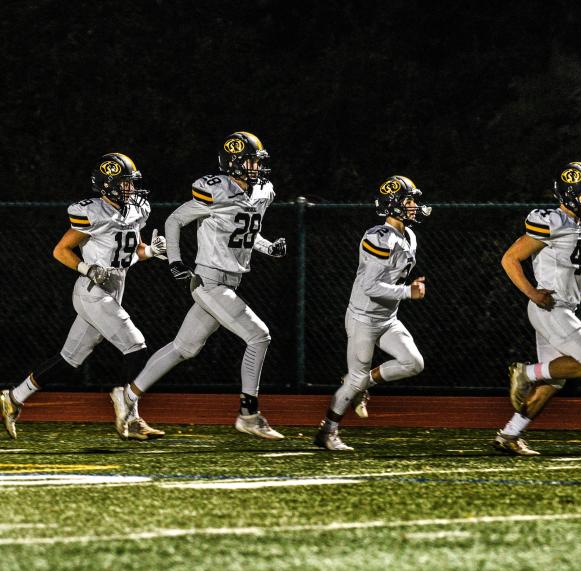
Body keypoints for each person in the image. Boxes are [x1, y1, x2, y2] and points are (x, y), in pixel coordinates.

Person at [111, 132, 287, 440]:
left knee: (184, 348)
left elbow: (246, 233)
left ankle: (126, 398)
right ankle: (248, 414)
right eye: (250, 161)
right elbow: (175, 221)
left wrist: (269, 248)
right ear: (233, 164)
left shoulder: (261, 192)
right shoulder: (217, 190)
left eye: (258, 161)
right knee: (259, 337)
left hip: (228, 281)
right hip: (209, 281)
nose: (256, 167)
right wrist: (175, 261)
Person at [1, 153, 167, 441]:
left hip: (114, 288)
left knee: (69, 358)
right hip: (92, 291)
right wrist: (87, 267)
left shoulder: (136, 210)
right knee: (136, 346)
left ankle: (13, 398)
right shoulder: (92, 211)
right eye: (125, 183)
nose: (131, 189)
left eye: (131, 183)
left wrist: (151, 251)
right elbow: (60, 250)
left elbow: (131, 252)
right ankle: (129, 410)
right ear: (108, 186)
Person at [495, 162, 581, 456]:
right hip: (549, 306)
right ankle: (525, 372)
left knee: (553, 381)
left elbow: (577, 274)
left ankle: (510, 434)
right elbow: (510, 259)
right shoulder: (551, 220)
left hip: (564, 307)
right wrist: (532, 292)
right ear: (569, 194)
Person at [314, 176, 430, 451]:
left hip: (387, 319)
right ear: (394, 205)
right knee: (355, 379)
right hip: (363, 319)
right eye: (409, 201)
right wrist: (407, 292)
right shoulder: (379, 237)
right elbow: (370, 287)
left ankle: (363, 383)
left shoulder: (409, 235)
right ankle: (327, 431)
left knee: (413, 363)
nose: (414, 205)